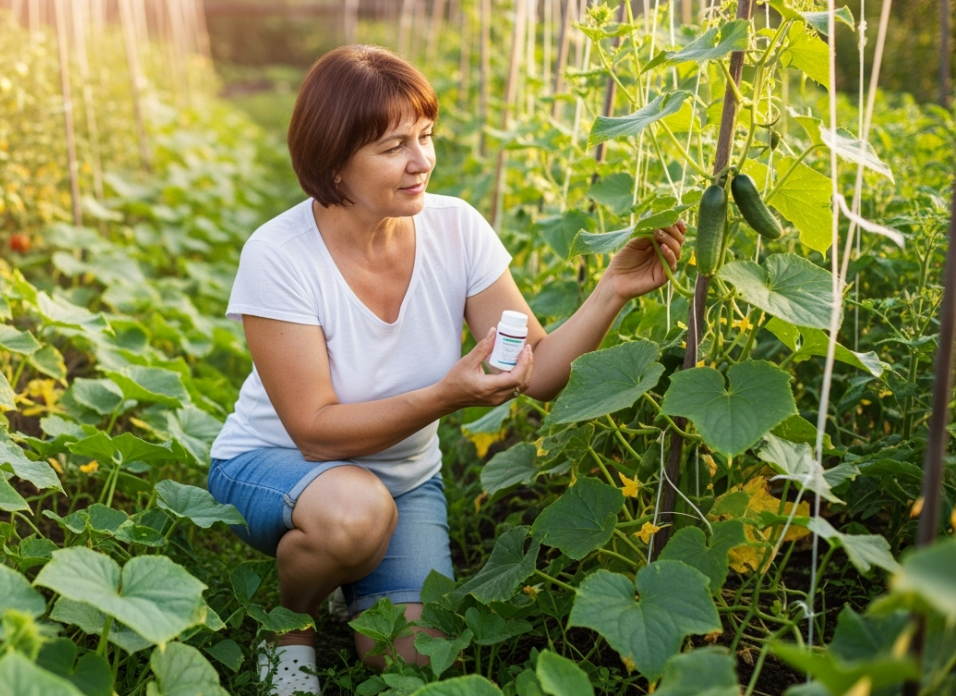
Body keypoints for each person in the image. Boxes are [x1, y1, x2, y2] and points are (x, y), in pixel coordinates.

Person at [206, 45, 686, 694]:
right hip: (278, 461)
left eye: (426, 136)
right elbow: (314, 432)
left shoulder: (456, 229)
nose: (421, 161)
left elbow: (539, 373)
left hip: (402, 482)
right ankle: (291, 619)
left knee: (408, 657)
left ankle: (350, 565)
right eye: (393, 146)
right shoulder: (279, 255)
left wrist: (611, 291)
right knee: (353, 515)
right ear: (334, 162)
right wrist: (445, 395)